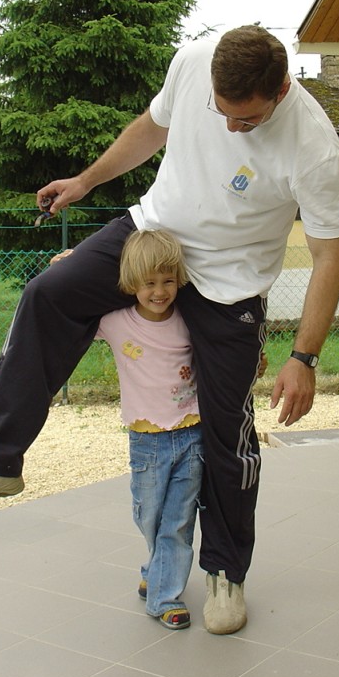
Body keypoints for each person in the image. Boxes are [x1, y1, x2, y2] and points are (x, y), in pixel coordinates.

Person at [0, 24, 339, 635]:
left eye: (247, 121)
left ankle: (225, 572)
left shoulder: (315, 147)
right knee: (50, 294)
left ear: (281, 90)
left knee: (226, 432)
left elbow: (329, 256)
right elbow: (151, 128)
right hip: (153, 236)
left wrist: (304, 357)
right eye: (222, 114)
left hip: (230, 283)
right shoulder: (195, 59)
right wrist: (86, 180)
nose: (232, 129)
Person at [84, 229, 202, 630]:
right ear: (131, 282)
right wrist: (68, 267)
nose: (159, 291)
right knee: (148, 514)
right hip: (147, 441)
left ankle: (165, 597)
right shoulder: (115, 322)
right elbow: (68, 306)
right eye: (149, 283)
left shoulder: (188, 319)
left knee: (179, 520)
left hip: (192, 432)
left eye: (168, 281)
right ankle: (156, 569)